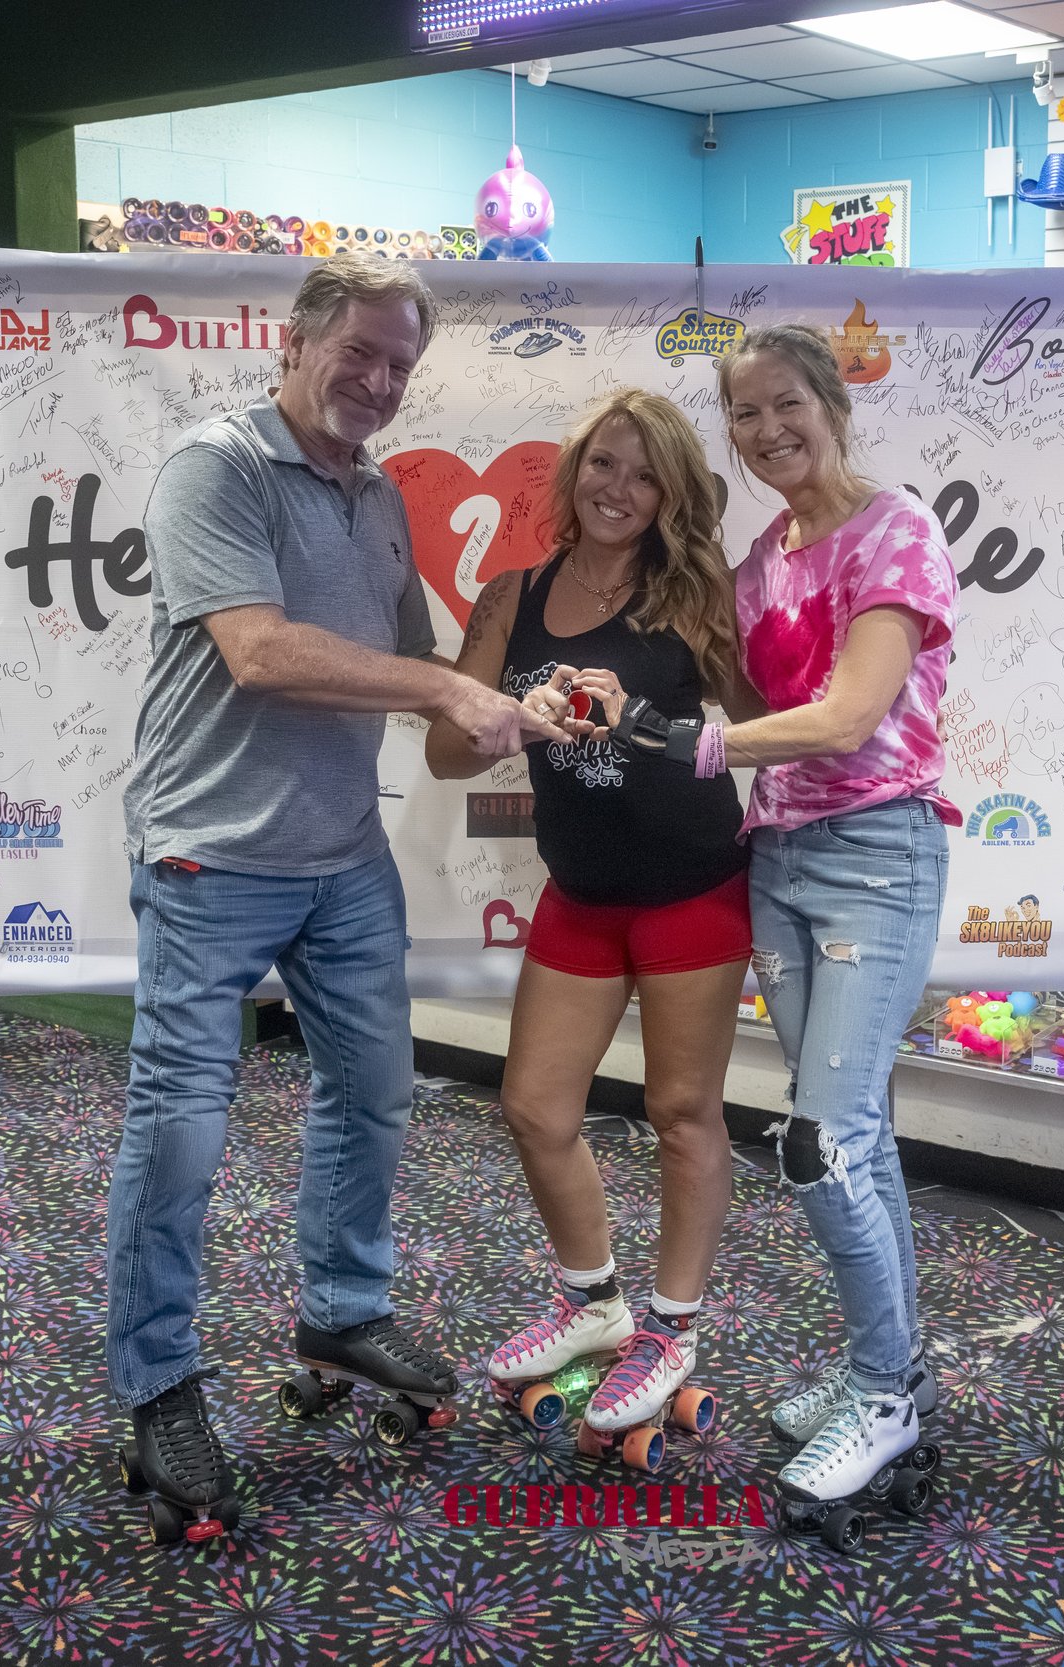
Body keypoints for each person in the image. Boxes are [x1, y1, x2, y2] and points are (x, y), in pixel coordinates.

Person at [113, 253, 567, 1539]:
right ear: (297, 343)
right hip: (208, 854)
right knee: (183, 1124)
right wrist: (435, 690)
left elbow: (401, 665)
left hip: (338, 857)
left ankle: (342, 1309)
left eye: (398, 366)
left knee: (370, 1090)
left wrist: (493, 703)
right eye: (356, 353)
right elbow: (257, 651)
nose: (375, 382)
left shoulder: (375, 500)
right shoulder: (219, 466)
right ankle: (156, 1383)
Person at [601, 322, 958, 1519]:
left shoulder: (895, 529)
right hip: (783, 858)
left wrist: (694, 741)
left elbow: (849, 716)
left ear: (832, 400)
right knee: (863, 1133)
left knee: (824, 1140)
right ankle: (893, 1369)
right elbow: (752, 702)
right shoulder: (761, 559)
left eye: (785, 402)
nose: (766, 430)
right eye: (744, 413)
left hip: (877, 852)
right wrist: (641, 685)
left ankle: (883, 1394)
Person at [424, 388, 751, 1445]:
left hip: (692, 890)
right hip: (581, 893)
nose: (620, 489)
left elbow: (762, 723)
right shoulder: (512, 594)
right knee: (534, 1106)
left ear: (672, 494)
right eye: (604, 464)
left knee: (680, 1112)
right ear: (573, 473)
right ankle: (593, 1301)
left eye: (645, 473)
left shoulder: (697, 590)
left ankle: (672, 1325)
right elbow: (442, 748)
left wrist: (650, 722)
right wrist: (511, 720)